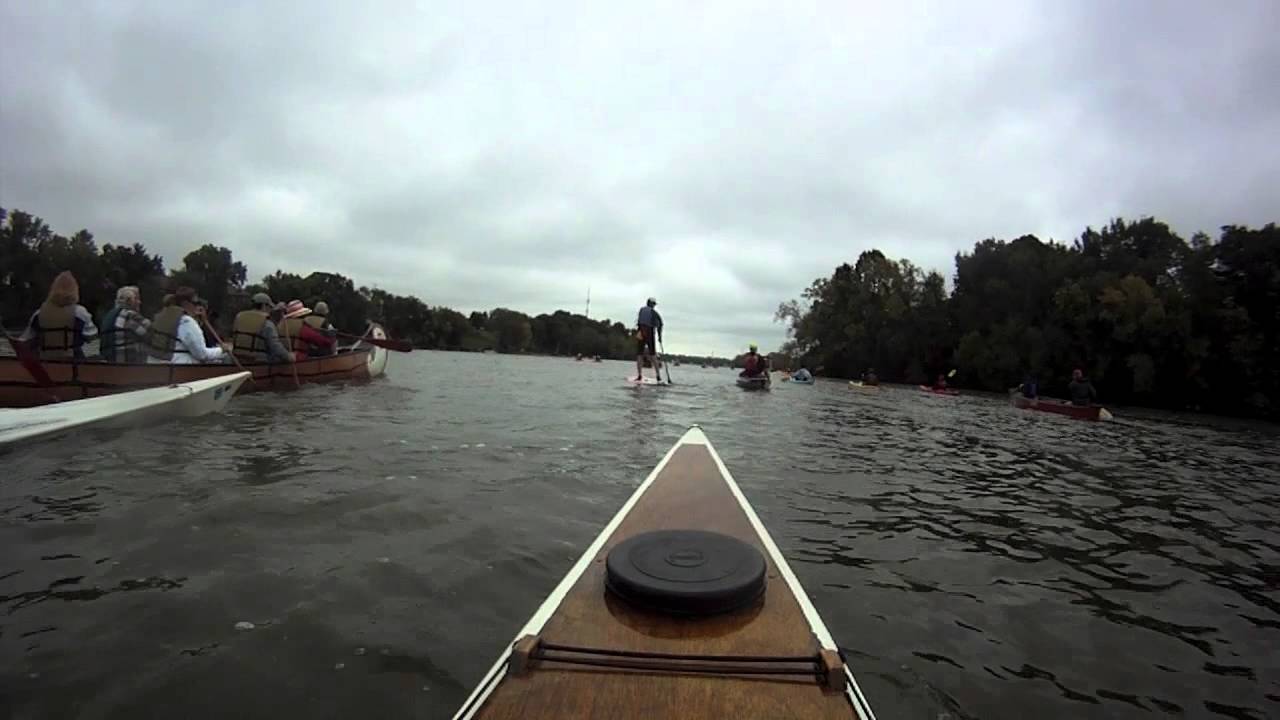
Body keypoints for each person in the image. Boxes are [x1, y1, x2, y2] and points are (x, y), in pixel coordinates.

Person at [19, 271, 98, 359]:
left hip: (45, 362)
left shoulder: (39, 313)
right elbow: (91, 336)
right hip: (73, 362)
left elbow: (25, 340)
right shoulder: (80, 312)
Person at [144, 286, 229, 364]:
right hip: (176, 369)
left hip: (153, 365)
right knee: (223, 359)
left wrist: (200, 320)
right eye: (196, 303)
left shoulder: (161, 316)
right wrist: (222, 350)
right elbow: (202, 355)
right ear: (186, 304)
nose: (198, 306)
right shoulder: (186, 321)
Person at [231, 293, 292, 363]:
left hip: (237, 358)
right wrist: (288, 356)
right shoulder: (266, 322)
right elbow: (275, 346)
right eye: (269, 307)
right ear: (264, 306)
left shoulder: (239, 317)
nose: (270, 310)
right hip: (259, 360)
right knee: (279, 357)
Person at [99, 286, 151, 363]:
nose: (139, 302)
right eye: (137, 299)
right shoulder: (129, 315)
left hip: (110, 361)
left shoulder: (109, 315)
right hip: (129, 364)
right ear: (129, 300)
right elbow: (150, 333)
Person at [634, 297, 663, 382]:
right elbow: (660, 324)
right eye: (654, 304)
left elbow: (639, 322)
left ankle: (639, 375)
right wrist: (659, 336)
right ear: (652, 304)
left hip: (641, 332)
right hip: (649, 333)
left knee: (639, 354)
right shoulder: (654, 312)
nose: (654, 306)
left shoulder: (641, 310)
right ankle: (658, 376)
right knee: (653, 354)